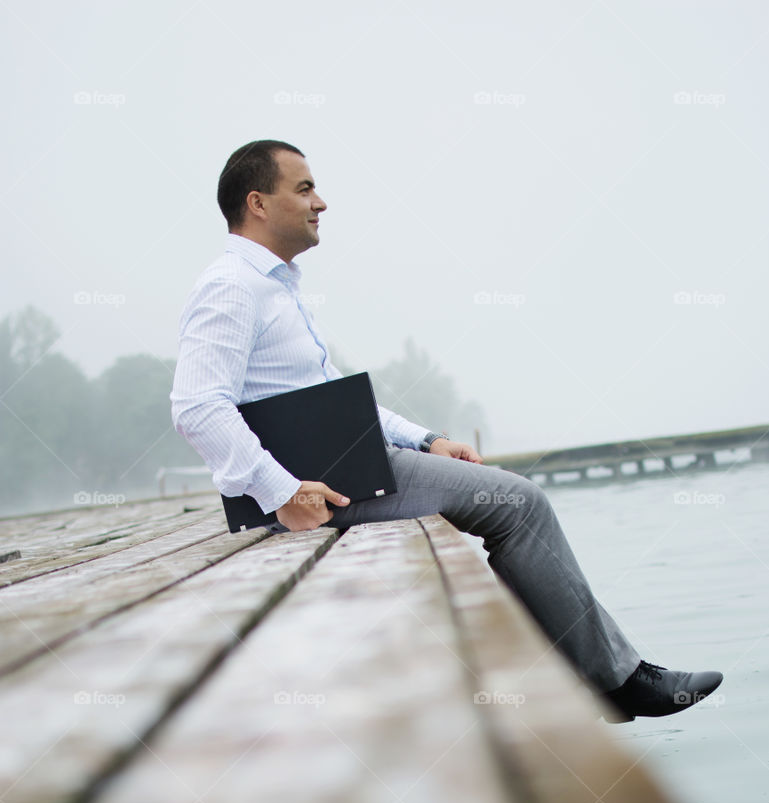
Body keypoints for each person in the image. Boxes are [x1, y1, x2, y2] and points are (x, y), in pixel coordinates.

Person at [171, 139, 722, 722]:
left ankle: (590, 676)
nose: (322, 202)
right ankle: (616, 681)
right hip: (317, 489)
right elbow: (197, 406)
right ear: (257, 203)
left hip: (341, 470)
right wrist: (281, 493)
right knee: (517, 502)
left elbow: (339, 404)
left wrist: (427, 440)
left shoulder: (274, 286)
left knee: (509, 500)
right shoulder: (232, 285)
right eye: (304, 188)